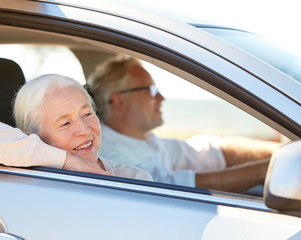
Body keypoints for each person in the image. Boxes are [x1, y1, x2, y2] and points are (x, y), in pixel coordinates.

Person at [87, 54, 281, 192]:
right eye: (151, 90)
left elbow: (211, 151)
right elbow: (162, 186)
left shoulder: (147, 141)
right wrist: (268, 169)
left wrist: (280, 154)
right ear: (120, 101)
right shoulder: (102, 152)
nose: (161, 98)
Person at [0, 74, 152, 181]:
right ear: (31, 136)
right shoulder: (15, 173)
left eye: (87, 114)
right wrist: (68, 163)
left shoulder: (133, 179)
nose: (84, 130)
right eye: (65, 123)